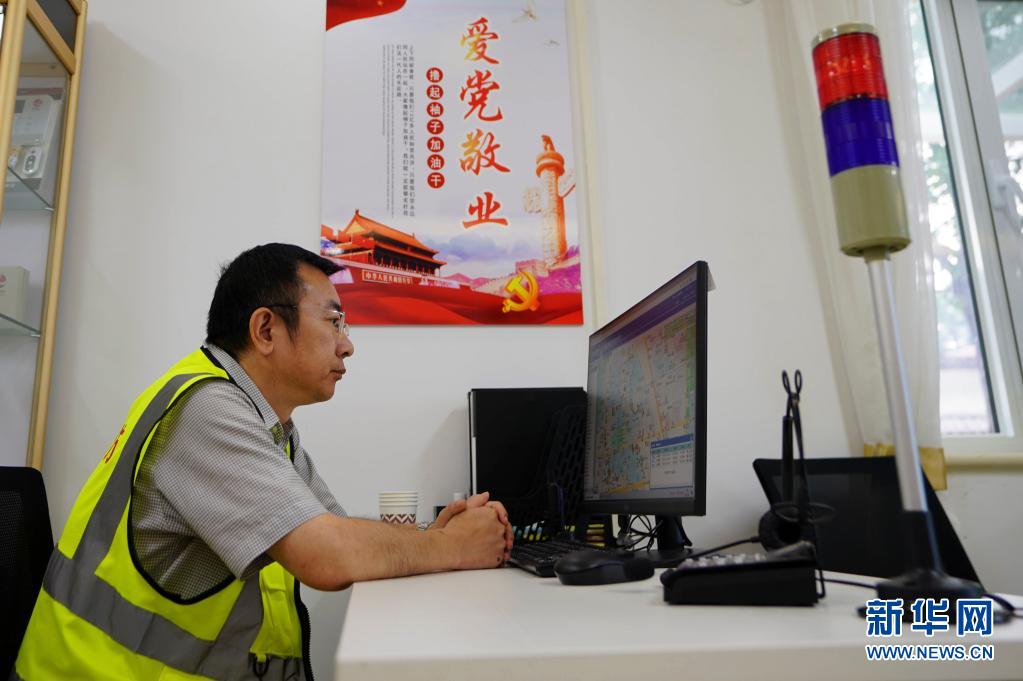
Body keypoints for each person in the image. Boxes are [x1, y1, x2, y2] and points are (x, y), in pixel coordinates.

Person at [14, 244, 513, 681]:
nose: (347, 343)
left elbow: (335, 532)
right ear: (266, 329)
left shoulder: (269, 425)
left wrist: (431, 538)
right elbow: (329, 558)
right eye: (333, 321)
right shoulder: (205, 409)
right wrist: (452, 545)